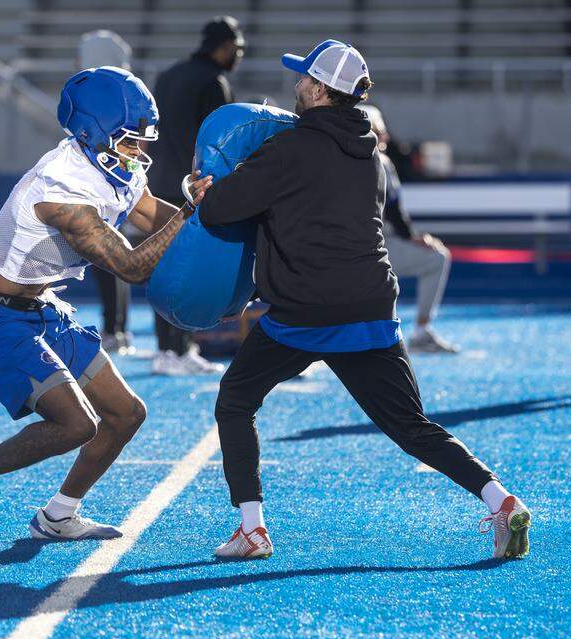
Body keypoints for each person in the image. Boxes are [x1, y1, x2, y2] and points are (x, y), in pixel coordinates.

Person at [191, 40, 531, 560]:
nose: (297, 84)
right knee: (413, 427)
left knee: (235, 401)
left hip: (301, 314)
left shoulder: (287, 148)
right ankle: (501, 499)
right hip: (370, 308)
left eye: (305, 78)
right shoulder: (373, 155)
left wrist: (202, 192)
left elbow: (219, 212)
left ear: (322, 89)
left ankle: (252, 529)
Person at [0, 67, 212, 552]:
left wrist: (211, 220)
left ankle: (58, 515)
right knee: (76, 424)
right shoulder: (60, 192)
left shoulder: (113, 165)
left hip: (42, 307)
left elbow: (151, 215)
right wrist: (190, 214)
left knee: (125, 414)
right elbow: (131, 266)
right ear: (92, 134)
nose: (139, 152)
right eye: (128, 141)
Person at [146, 15, 245, 376]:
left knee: (164, 266)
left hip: (157, 185)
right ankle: (180, 349)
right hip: (193, 188)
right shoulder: (213, 82)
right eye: (237, 49)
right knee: (188, 268)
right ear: (222, 48)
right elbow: (220, 145)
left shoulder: (168, 76)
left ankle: (168, 350)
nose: (239, 56)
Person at [359, 104, 460, 354]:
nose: (386, 137)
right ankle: (421, 331)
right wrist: (413, 237)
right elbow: (393, 209)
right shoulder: (380, 162)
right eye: (381, 131)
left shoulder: (330, 159)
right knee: (436, 258)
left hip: (334, 247)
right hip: (371, 247)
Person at [78, 30, 137, 355]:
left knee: (106, 256)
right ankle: (118, 327)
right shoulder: (126, 92)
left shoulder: (96, 94)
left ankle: (114, 327)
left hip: (101, 182)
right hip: (118, 180)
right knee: (118, 255)